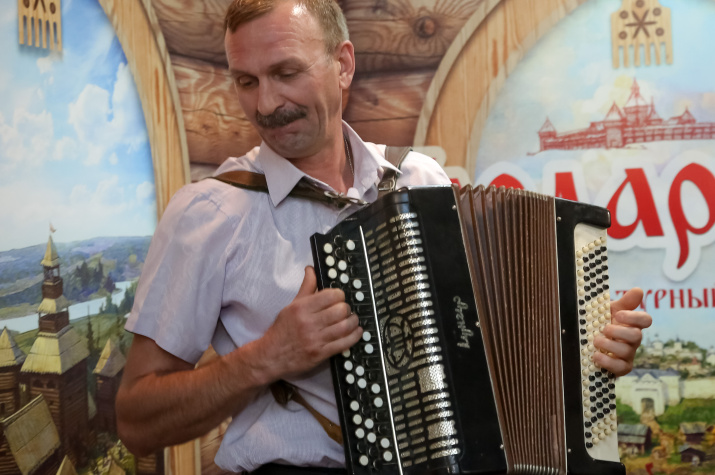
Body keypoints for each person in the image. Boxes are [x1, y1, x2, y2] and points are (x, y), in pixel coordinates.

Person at [115, 0, 652, 473]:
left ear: (343, 64)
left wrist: (584, 347)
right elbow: (137, 421)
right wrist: (267, 357)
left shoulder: (420, 178)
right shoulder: (209, 213)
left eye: (286, 72)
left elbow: (484, 342)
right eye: (246, 81)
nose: (266, 104)